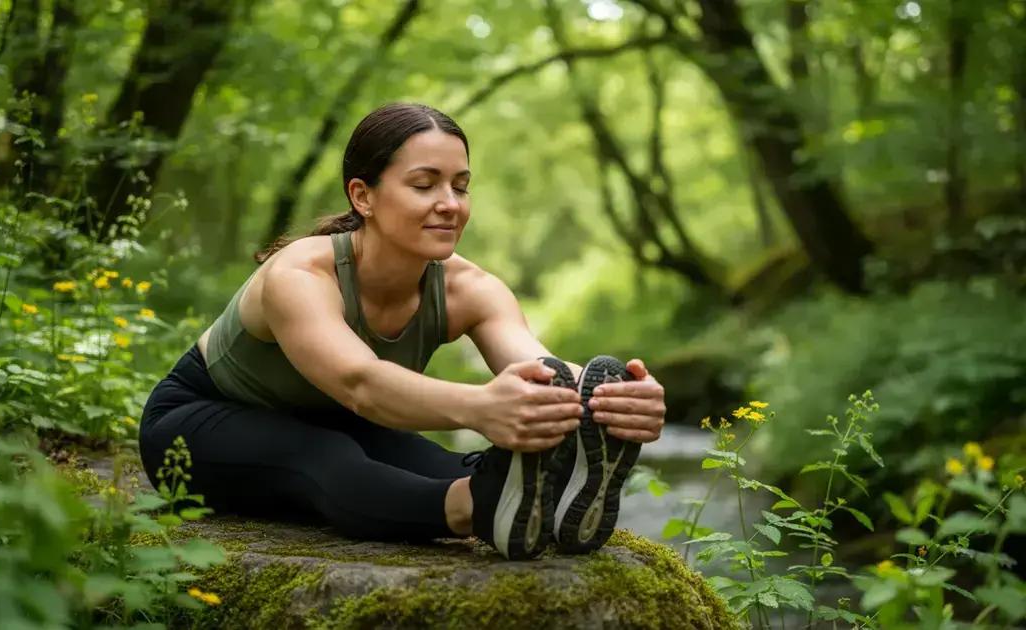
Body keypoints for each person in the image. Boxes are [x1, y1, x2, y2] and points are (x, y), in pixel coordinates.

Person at [138, 102, 667, 560]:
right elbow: (360, 384)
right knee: (322, 459)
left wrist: (608, 399)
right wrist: (480, 406)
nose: (450, 203)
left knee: (448, 463)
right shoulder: (300, 274)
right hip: (198, 424)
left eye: (461, 186)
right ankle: (474, 510)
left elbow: (536, 366)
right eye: (424, 184)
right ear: (362, 196)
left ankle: (542, 498)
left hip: (338, 421)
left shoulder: (470, 287)